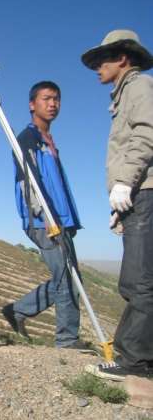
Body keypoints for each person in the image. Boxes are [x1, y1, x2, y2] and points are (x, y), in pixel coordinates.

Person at [80, 30, 153, 381]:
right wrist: (121, 204)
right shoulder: (125, 94)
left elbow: (146, 134)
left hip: (145, 192)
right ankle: (137, 356)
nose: (97, 67)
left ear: (123, 58)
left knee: (140, 281)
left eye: (102, 60)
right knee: (132, 280)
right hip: (138, 196)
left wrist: (126, 181)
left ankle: (136, 362)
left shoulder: (139, 87)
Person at [1, 81, 92, 351]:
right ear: (32, 104)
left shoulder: (48, 141)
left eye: (57, 99)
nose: (53, 104)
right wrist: (46, 215)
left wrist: (69, 219)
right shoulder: (28, 138)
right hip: (44, 220)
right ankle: (67, 339)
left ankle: (17, 311)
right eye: (46, 99)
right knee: (67, 278)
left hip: (60, 219)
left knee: (69, 277)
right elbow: (26, 182)